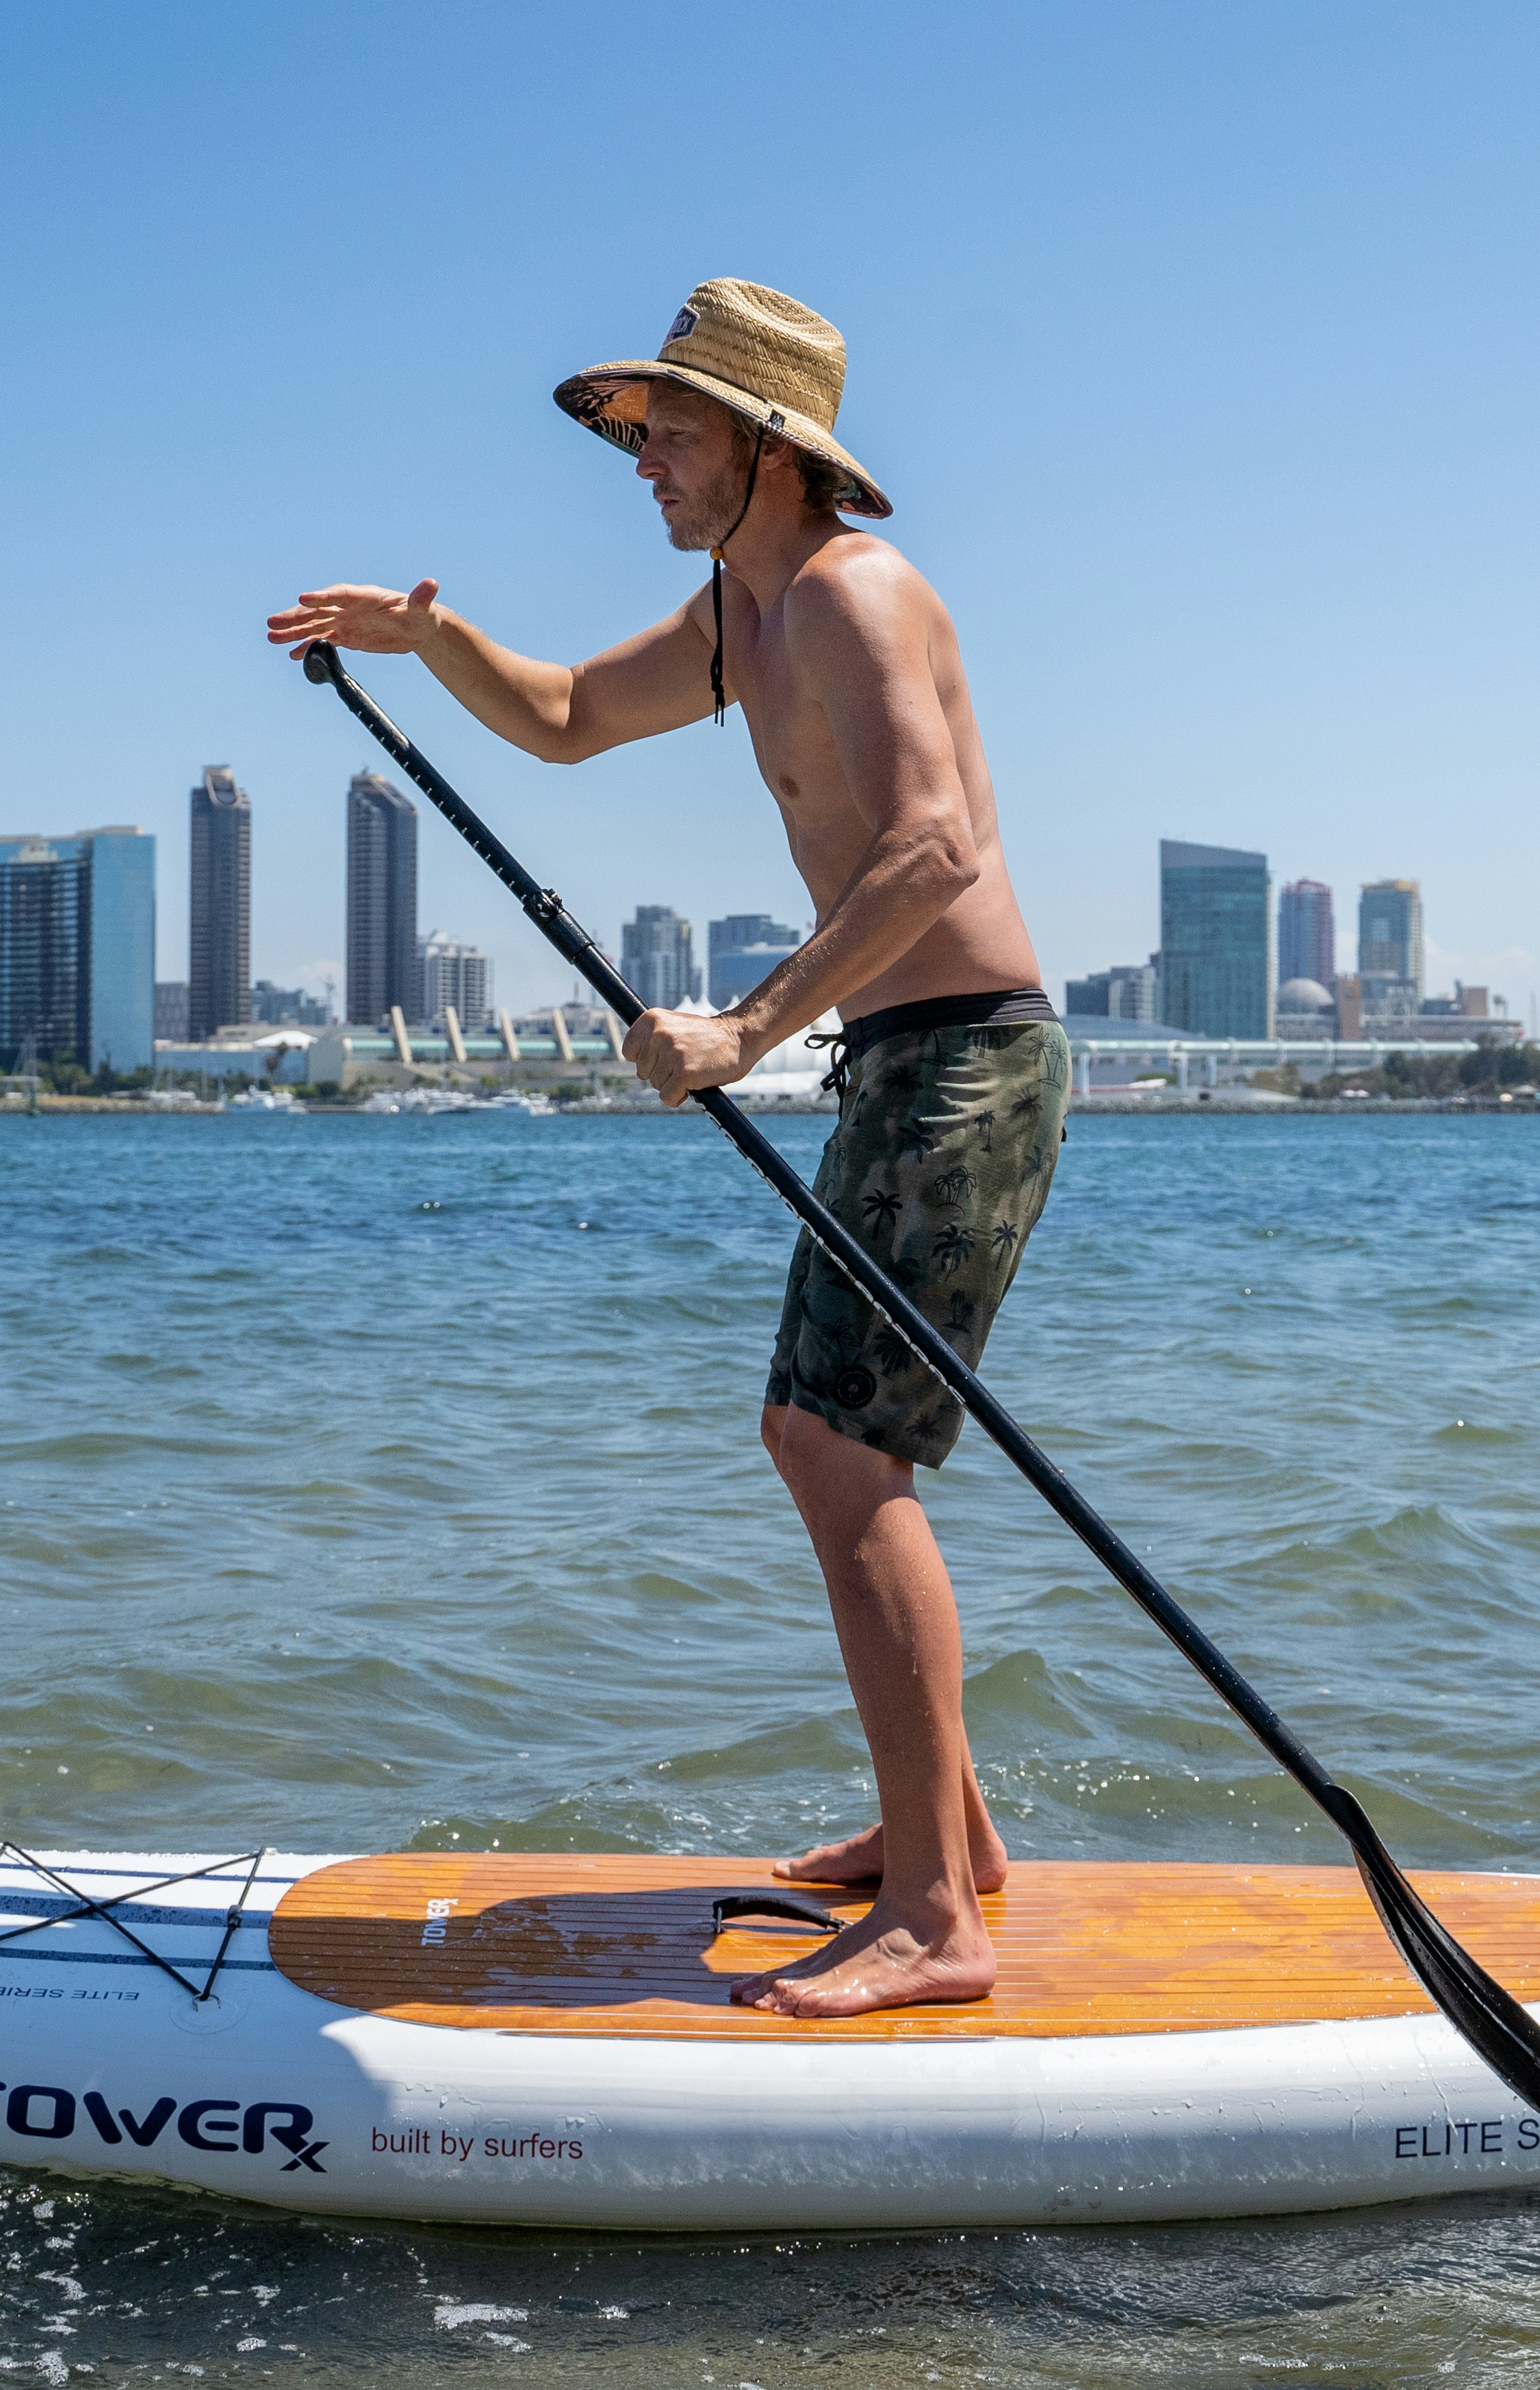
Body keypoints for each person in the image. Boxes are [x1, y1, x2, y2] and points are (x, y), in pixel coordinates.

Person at [266, 279, 1069, 2017]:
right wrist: (432, 640)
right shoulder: (740, 614)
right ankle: (953, 1836)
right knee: (818, 1437)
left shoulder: (853, 595)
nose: (641, 463)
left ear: (770, 445)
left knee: (842, 1454)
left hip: (969, 1068)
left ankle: (938, 1917)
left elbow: (932, 853)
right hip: (901, 1060)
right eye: (635, 434)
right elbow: (561, 716)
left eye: (670, 432)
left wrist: (739, 1032)